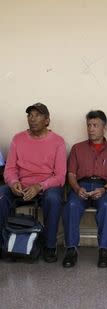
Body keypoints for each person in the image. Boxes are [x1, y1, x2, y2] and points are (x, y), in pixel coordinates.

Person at [0, 103, 66, 262]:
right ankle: (4, 244)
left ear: (47, 120)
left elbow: (60, 176)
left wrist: (39, 186)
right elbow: (9, 169)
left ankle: (50, 246)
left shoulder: (58, 142)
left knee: (53, 199)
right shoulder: (18, 139)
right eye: (30, 115)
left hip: (45, 187)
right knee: (1, 195)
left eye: (37, 115)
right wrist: (13, 182)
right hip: (20, 186)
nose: (32, 119)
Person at [62, 110, 107, 268]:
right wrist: (76, 188)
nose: (91, 129)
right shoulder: (77, 148)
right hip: (81, 186)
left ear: (105, 128)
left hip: (103, 188)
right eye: (89, 125)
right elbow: (71, 174)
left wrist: (105, 189)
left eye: (95, 125)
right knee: (71, 206)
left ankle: (103, 251)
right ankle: (71, 249)